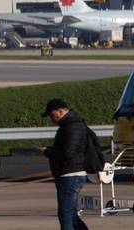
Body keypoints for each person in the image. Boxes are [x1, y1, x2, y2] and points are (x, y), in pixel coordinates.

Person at [40, 98, 91, 230]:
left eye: (52, 115)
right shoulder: (69, 125)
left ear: (60, 111)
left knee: (65, 215)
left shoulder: (72, 126)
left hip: (71, 175)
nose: (51, 119)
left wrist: (47, 152)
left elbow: (68, 154)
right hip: (69, 174)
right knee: (71, 216)